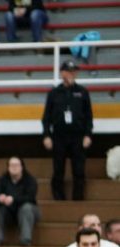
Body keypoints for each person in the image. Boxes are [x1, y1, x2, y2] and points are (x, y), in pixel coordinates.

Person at [42, 60, 93, 201]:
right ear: (62, 73)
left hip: (78, 137)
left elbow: (89, 116)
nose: (72, 74)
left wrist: (88, 134)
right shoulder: (53, 93)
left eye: (74, 71)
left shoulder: (83, 92)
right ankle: (59, 200)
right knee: (58, 170)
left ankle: (78, 199)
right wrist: (46, 135)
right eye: (69, 71)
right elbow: (46, 118)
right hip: (59, 137)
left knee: (79, 170)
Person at [0, 156, 40, 247]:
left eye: (16, 165)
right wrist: (0, 198)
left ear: (22, 167)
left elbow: (31, 197)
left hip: (27, 212)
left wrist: (13, 199)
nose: (14, 167)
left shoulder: (30, 180)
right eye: (11, 165)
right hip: (8, 212)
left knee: (26, 208)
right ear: (8, 167)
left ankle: (26, 239)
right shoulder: (2, 180)